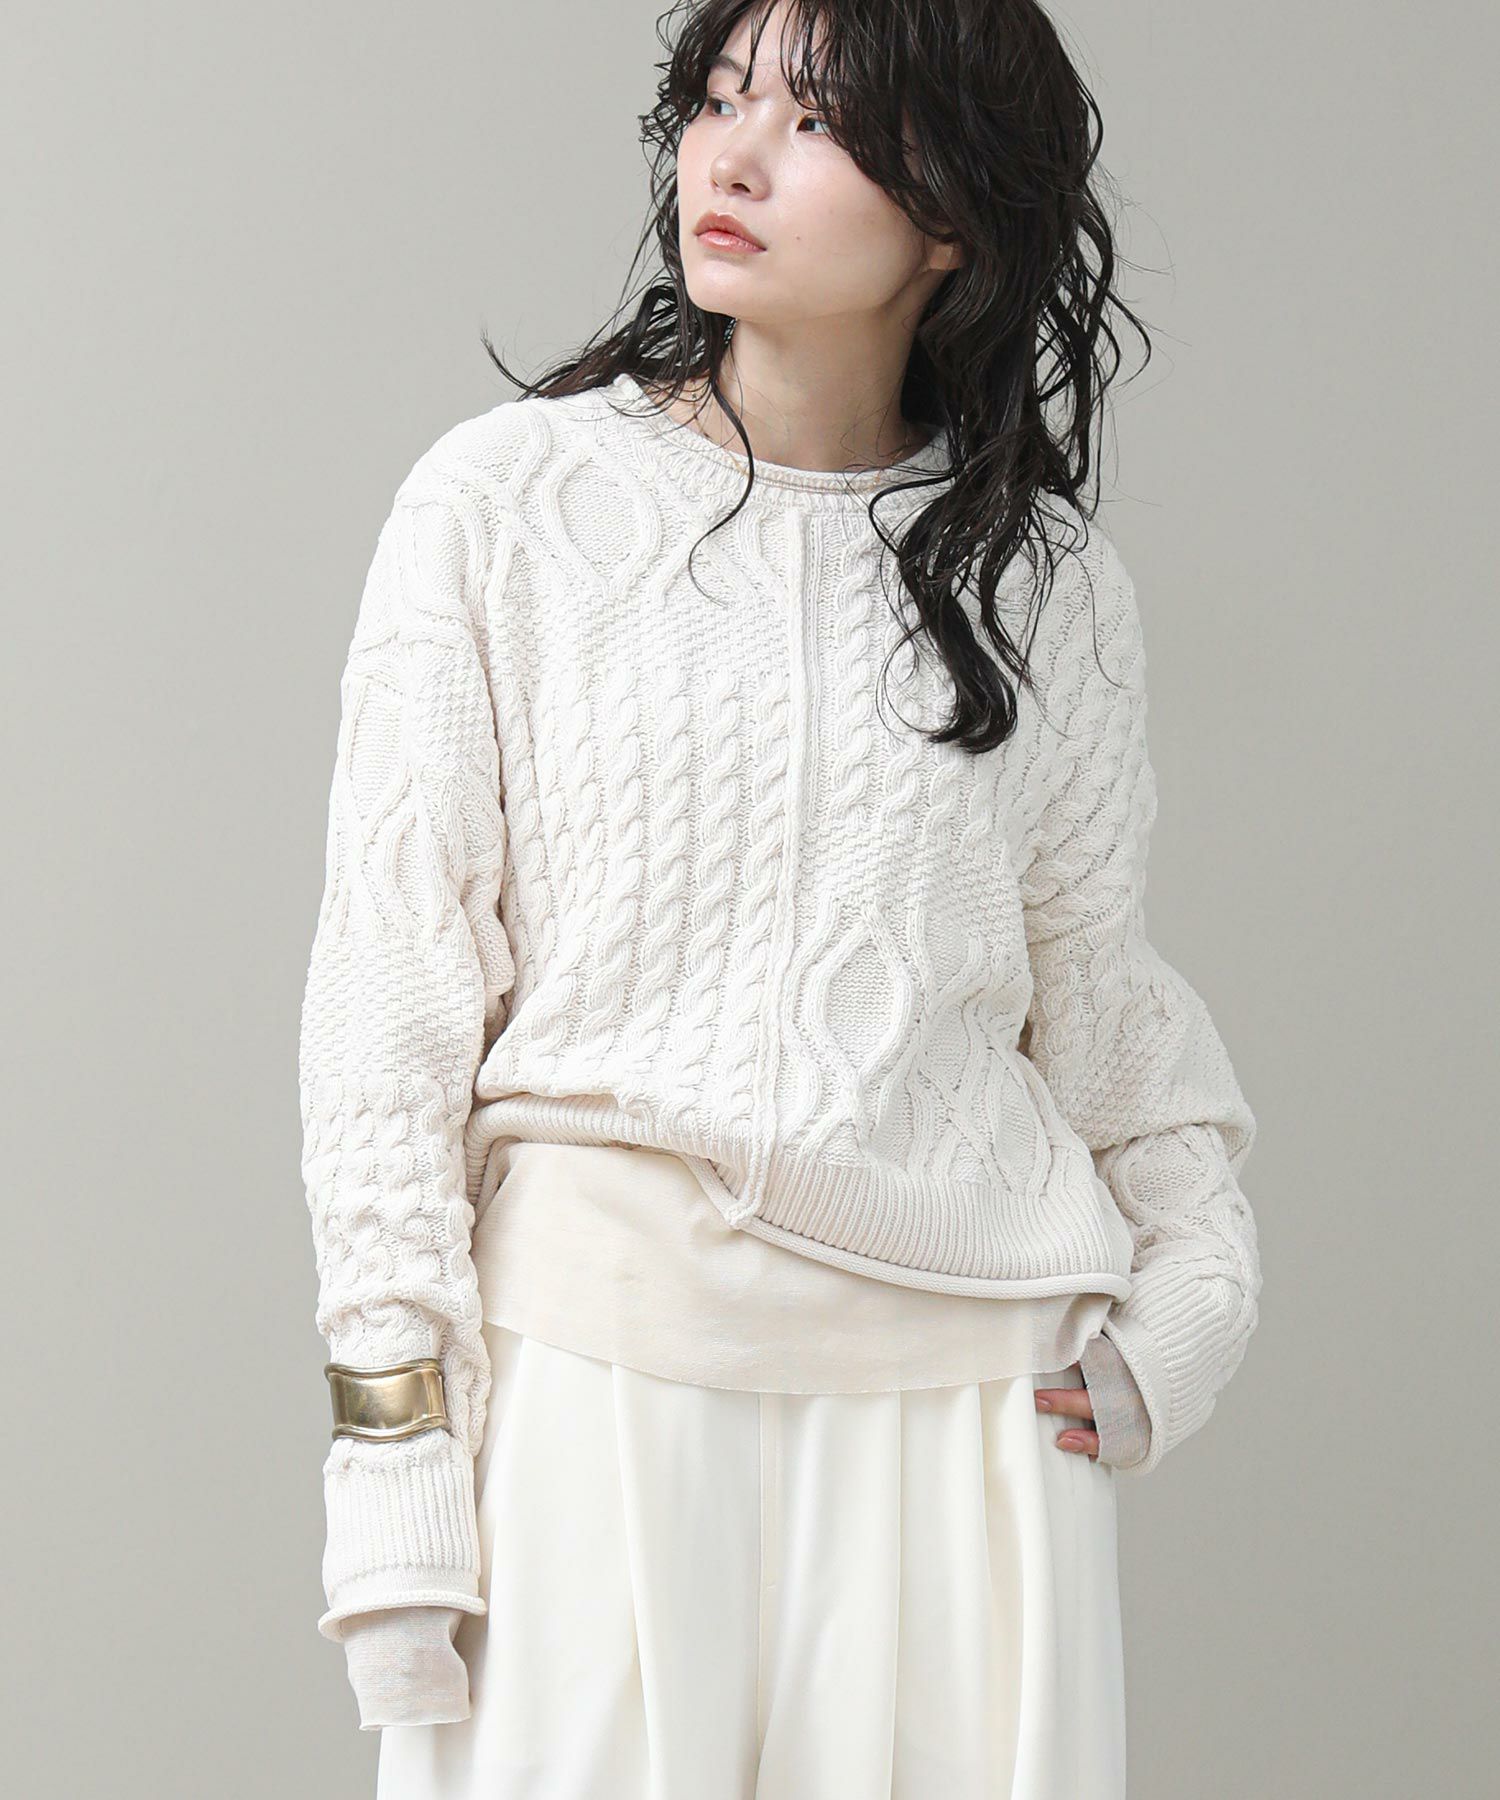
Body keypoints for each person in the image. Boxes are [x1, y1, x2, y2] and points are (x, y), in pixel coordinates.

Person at [296, 1, 1261, 1792]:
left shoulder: (1048, 584)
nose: (729, 157)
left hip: (970, 1427)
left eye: (814, 122)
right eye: (719, 98)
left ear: (953, 212)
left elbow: (1099, 993)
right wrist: (395, 1455)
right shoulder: (506, 507)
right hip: (594, 1384)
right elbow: (390, 1001)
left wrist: (1196, 1292)